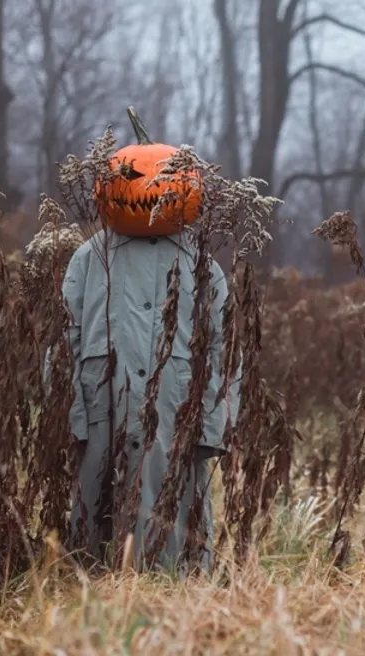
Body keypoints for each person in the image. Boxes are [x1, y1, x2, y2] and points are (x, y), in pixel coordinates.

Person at [59, 227, 238, 575]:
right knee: (94, 537)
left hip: (176, 423)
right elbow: (64, 340)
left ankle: (173, 600)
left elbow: (225, 353)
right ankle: (93, 607)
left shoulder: (201, 263)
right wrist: (71, 419)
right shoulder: (89, 258)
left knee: (173, 538)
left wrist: (212, 431)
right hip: (102, 420)